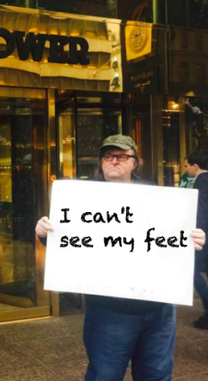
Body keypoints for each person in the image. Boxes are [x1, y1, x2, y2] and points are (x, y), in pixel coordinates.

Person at [35, 134, 206, 381]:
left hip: (159, 307)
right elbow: (68, 239)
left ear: (134, 162)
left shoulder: (156, 194)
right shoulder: (80, 197)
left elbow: (172, 238)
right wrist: (45, 232)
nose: (113, 161)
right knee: (105, 375)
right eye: (108, 156)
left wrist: (194, 238)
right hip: (109, 309)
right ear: (101, 162)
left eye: (121, 156)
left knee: (156, 375)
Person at [184, 152, 208, 329]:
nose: (185, 169)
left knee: (190, 269)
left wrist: (194, 230)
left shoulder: (202, 180)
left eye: (186, 166)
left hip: (203, 235)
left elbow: (202, 209)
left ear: (195, 166)